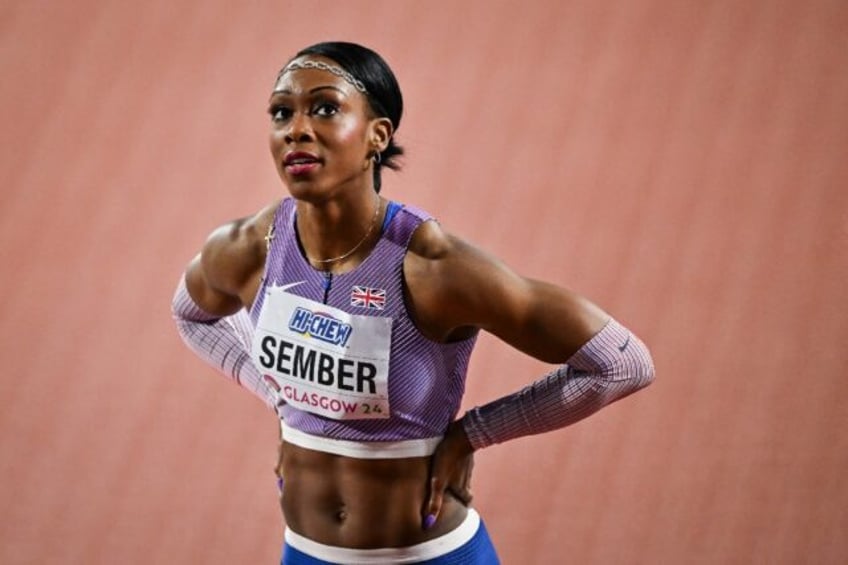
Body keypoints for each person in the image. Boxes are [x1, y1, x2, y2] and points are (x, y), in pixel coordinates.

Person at [171, 41, 655, 564]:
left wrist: (474, 432)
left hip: (431, 555)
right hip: (308, 553)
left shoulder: (433, 268)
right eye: (282, 112)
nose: (297, 129)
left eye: (326, 108)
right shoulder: (252, 248)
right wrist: (278, 393)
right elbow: (191, 314)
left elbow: (621, 364)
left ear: (378, 135)